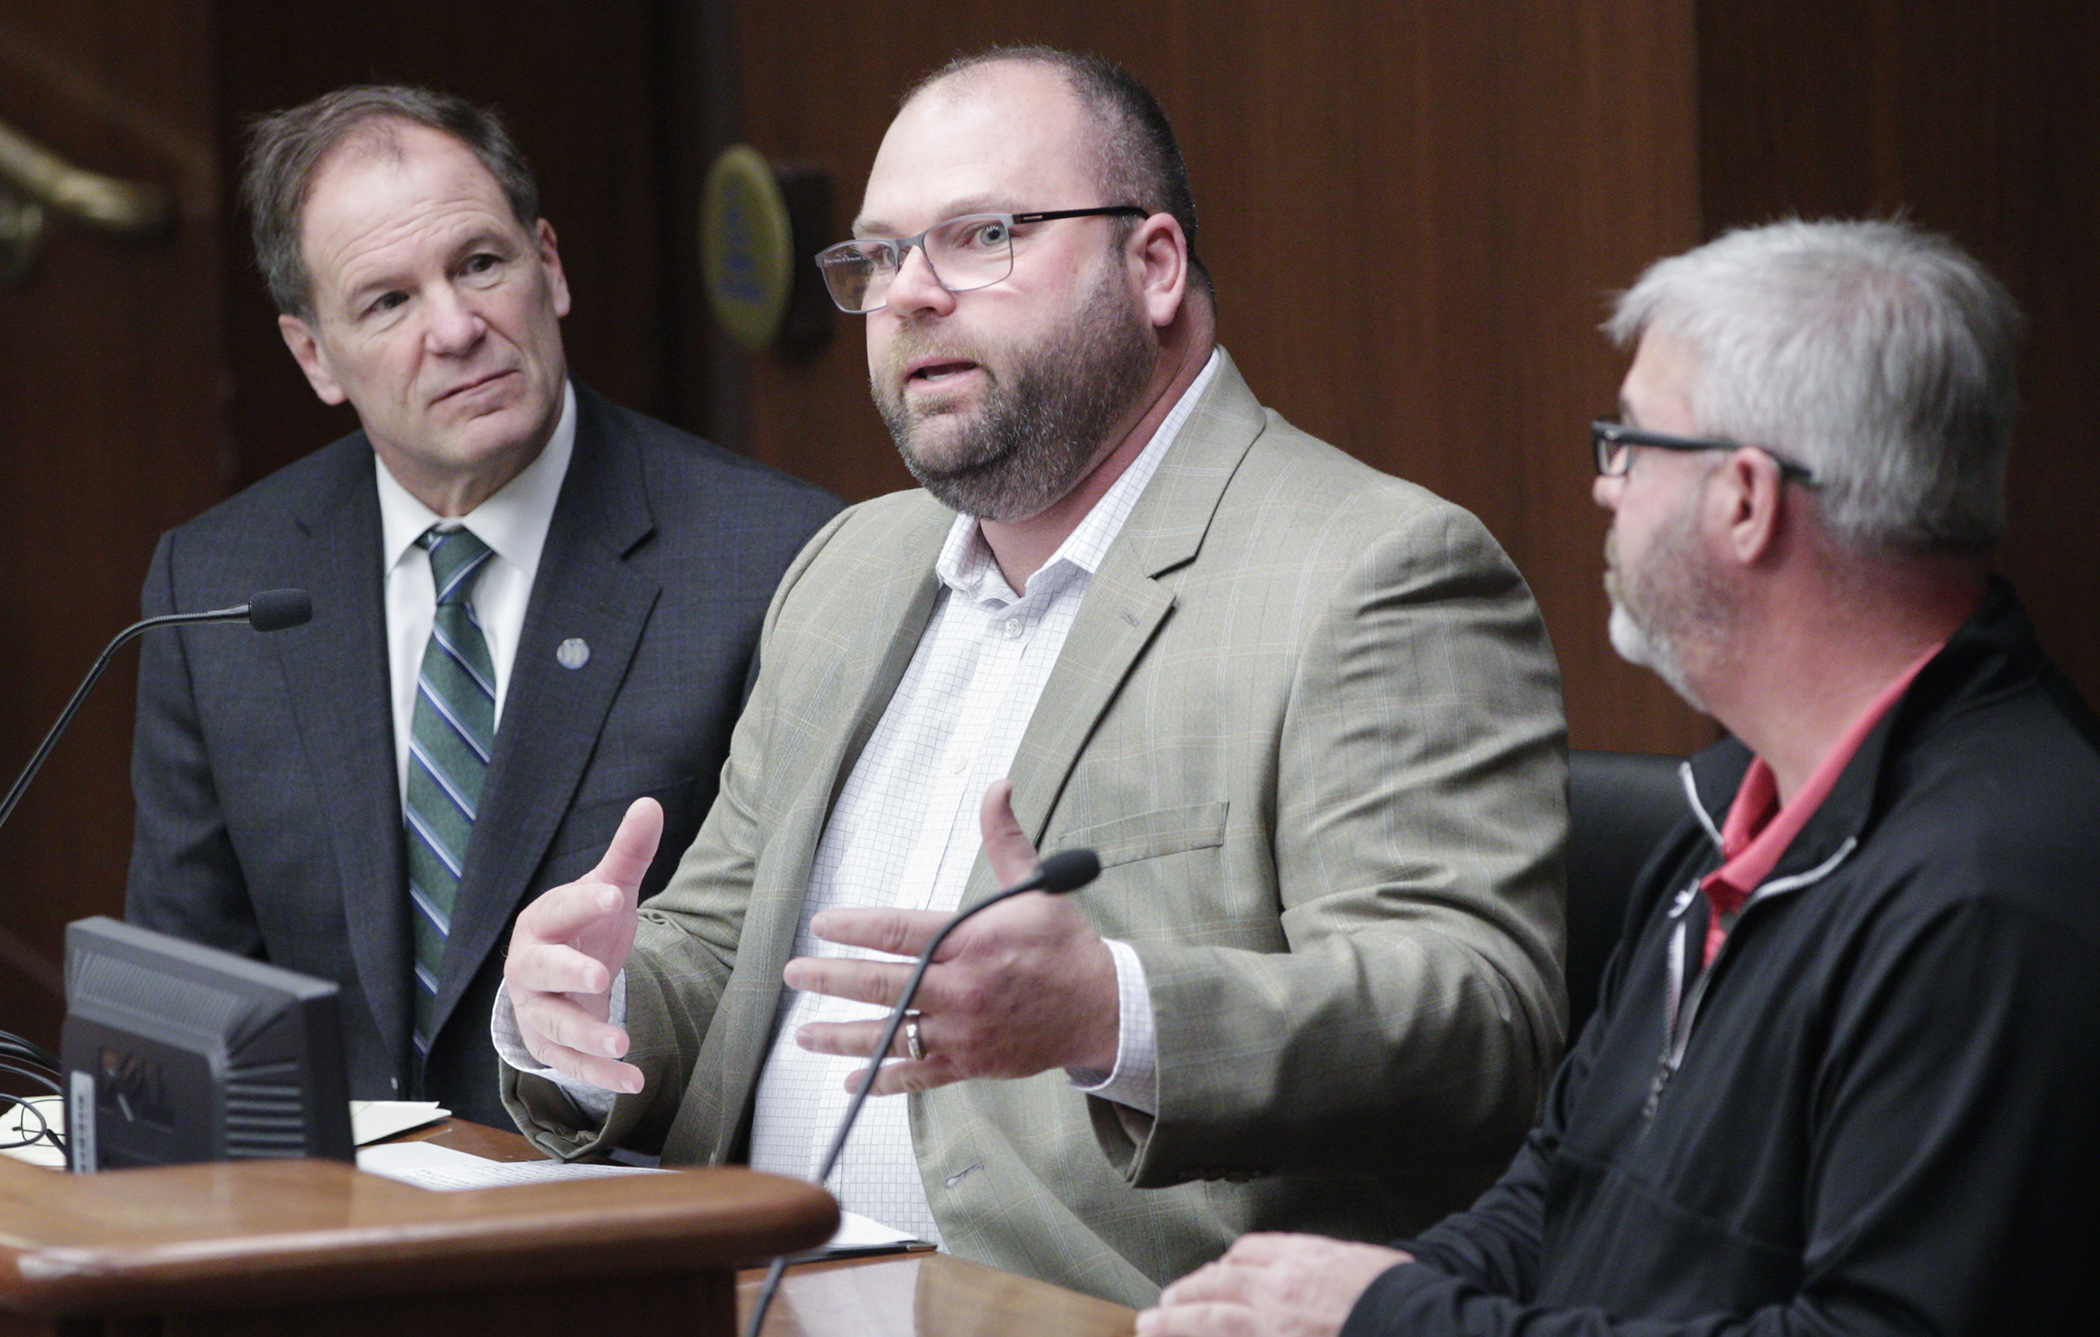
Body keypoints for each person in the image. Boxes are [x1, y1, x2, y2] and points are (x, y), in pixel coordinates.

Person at [498, 47, 1567, 1306]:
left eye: (982, 235)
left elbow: (1477, 1013)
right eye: (881, 256)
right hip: (743, 1292)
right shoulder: (850, 561)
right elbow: (723, 946)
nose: (911, 295)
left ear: (1153, 264)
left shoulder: (1369, 568)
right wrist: (587, 1004)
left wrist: (1111, 1011)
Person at [1139, 219, 2100, 1336]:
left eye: (1632, 441)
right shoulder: (1738, 806)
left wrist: (1397, 1320)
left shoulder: (1990, 895)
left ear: (1745, 499)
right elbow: (1557, 1189)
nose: (1606, 488)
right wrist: (1306, 1308)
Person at [125, 86, 840, 1128]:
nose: (458, 328)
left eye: (480, 264)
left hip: (618, 1221)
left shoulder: (766, 559)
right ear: (313, 355)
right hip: (316, 1234)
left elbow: (782, 998)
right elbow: (188, 989)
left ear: (548, 266)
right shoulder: (218, 581)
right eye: (388, 302)